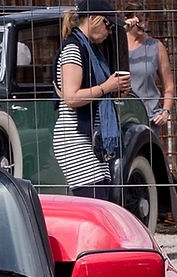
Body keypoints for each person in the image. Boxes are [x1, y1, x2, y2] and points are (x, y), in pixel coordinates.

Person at [52, 0, 132, 202]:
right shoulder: (73, 48)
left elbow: (96, 94)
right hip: (74, 139)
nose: (109, 31)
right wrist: (107, 87)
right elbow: (71, 97)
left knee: (102, 204)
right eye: (108, 25)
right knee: (95, 206)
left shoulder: (92, 50)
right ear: (94, 18)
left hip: (92, 141)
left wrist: (116, 90)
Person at [123, 3, 175, 132]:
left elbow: (169, 86)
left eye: (146, 20)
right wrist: (124, 28)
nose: (144, 25)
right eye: (139, 21)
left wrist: (165, 111)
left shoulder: (156, 46)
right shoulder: (116, 44)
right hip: (122, 117)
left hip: (149, 119)